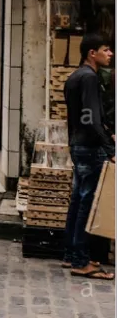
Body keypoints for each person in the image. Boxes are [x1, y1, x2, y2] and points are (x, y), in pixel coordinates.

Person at [62, 34, 115, 280]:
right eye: (106, 50)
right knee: (86, 203)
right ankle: (81, 262)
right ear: (92, 53)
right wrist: (109, 145)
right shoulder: (90, 78)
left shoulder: (75, 76)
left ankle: (71, 254)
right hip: (90, 147)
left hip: (77, 144)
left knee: (78, 199)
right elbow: (91, 118)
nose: (110, 54)